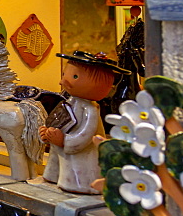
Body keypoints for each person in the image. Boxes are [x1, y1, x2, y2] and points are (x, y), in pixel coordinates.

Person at [39, 51, 129, 194]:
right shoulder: (69, 102)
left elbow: (84, 136)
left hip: (81, 159)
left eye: (74, 76)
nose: (63, 81)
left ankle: (79, 185)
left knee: (75, 168)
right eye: (64, 75)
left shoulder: (90, 110)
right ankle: (53, 176)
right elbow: (58, 121)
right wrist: (47, 133)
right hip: (62, 154)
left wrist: (64, 140)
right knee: (59, 161)